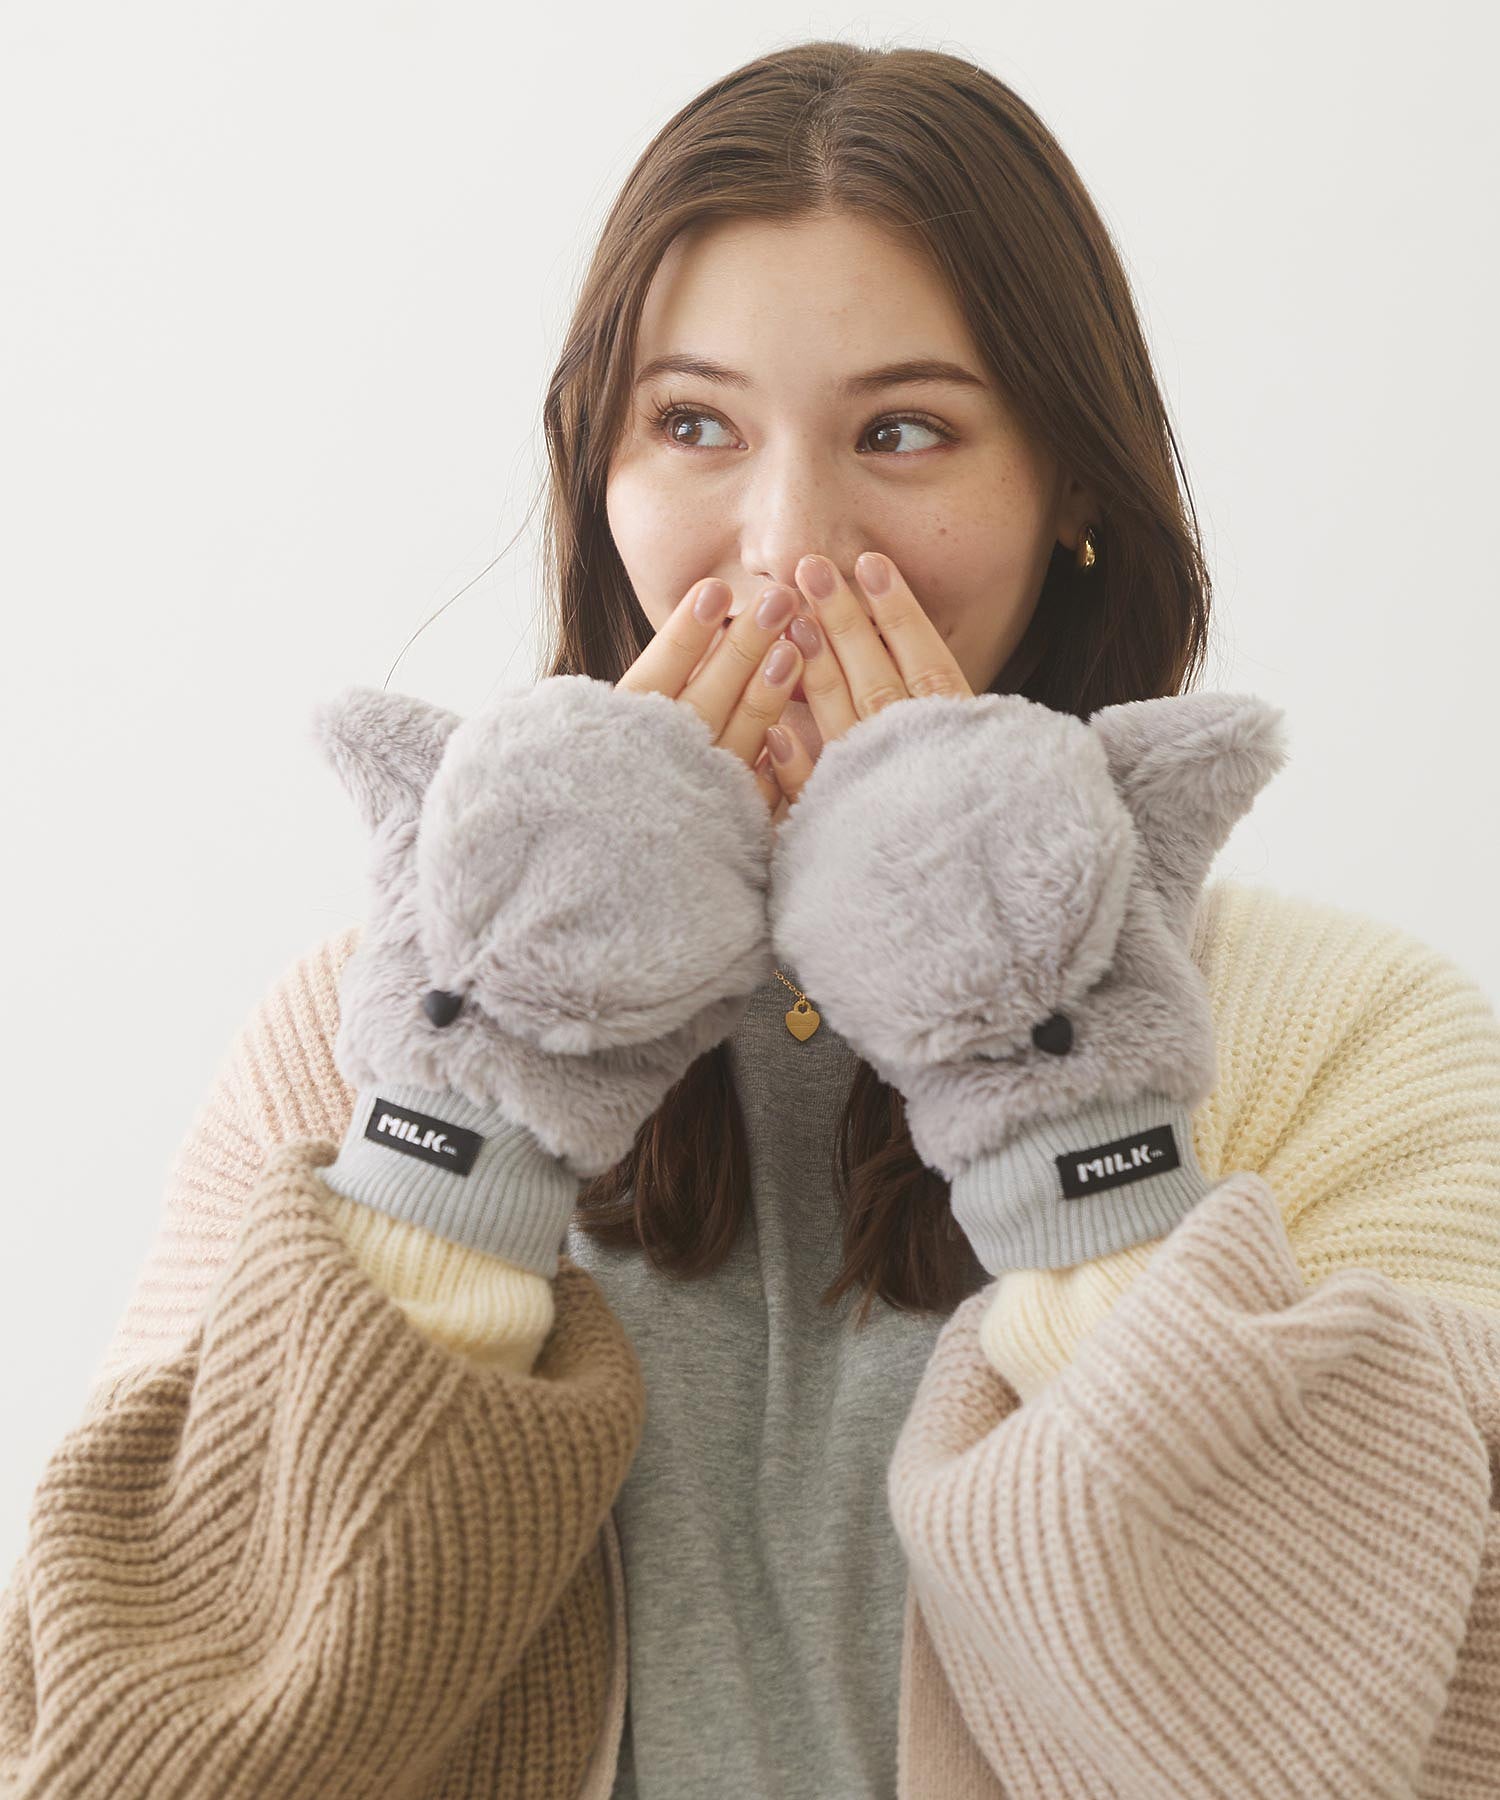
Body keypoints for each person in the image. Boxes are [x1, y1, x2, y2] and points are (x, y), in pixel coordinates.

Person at [5, 38, 1498, 1800]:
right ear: (597, 476)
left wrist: (1055, 1074)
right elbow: (134, 1758)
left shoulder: (1345, 1037)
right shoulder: (352, 1042)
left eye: (906, 430)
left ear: (1073, 490)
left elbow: (1349, 1746)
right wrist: (478, 1094)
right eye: (694, 424)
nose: (784, 549)